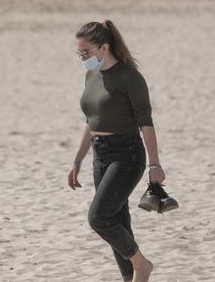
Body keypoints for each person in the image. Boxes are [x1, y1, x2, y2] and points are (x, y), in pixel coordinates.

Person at [68, 20, 166, 282]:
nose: (82, 58)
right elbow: (91, 121)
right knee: (118, 222)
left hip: (127, 154)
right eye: (79, 53)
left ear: (104, 47)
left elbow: (145, 122)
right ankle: (131, 276)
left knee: (99, 217)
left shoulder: (129, 77)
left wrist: (155, 164)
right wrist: (78, 159)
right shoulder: (91, 75)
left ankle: (141, 266)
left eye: (86, 52)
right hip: (100, 155)